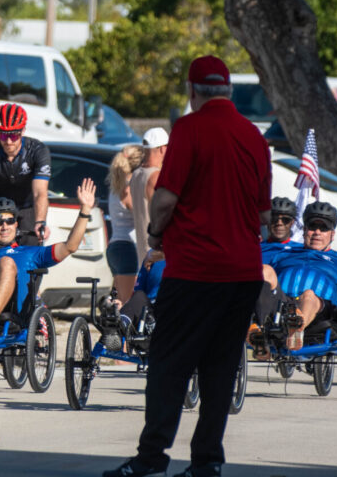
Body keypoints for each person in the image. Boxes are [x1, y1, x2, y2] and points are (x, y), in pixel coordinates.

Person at [105, 55, 271, 477]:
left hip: (195, 268)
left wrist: (158, 235)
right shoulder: (254, 136)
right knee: (220, 367)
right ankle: (207, 462)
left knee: (169, 364)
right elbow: (265, 216)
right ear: (229, 90)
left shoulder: (190, 129)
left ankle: (151, 458)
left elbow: (165, 197)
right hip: (242, 272)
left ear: (193, 91)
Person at [0, 179, 97, 339]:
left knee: (6, 262)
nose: (4, 227)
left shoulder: (30, 252)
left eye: (9, 221)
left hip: (11, 309)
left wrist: (85, 211)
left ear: (16, 224)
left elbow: (69, 246)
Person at [248, 202, 337, 359]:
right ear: (303, 230)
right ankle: (260, 335)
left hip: (320, 309)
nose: (317, 232)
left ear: (332, 234)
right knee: (264, 270)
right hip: (283, 305)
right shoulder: (283, 254)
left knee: (308, 295)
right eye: (312, 227)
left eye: (323, 228)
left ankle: (295, 330)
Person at [0, 102, 52, 246]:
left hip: (26, 208)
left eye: (14, 136)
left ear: (23, 131)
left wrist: (40, 221)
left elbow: (40, 192)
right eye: (3, 135)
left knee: (30, 255)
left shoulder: (38, 150)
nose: (8, 141)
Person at [107, 144, 146, 302]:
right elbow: (140, 217)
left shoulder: (116, 185)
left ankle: (114, 325)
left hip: (116, 247)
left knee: (121, 300)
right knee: (127, 302)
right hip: (127, 248)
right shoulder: (128, 189)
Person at [129, 127, 169, 268]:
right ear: (162, 149)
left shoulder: (136, 174)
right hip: (156, 254)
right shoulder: (156, 176)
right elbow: (162, 216)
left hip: (143, 251)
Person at [260, 196, 302, 265]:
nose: (279, 223)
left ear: (292, 222)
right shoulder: (255, 249)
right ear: (267, 221)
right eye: (274, 219)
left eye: (285, 220)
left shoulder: (301, 251)